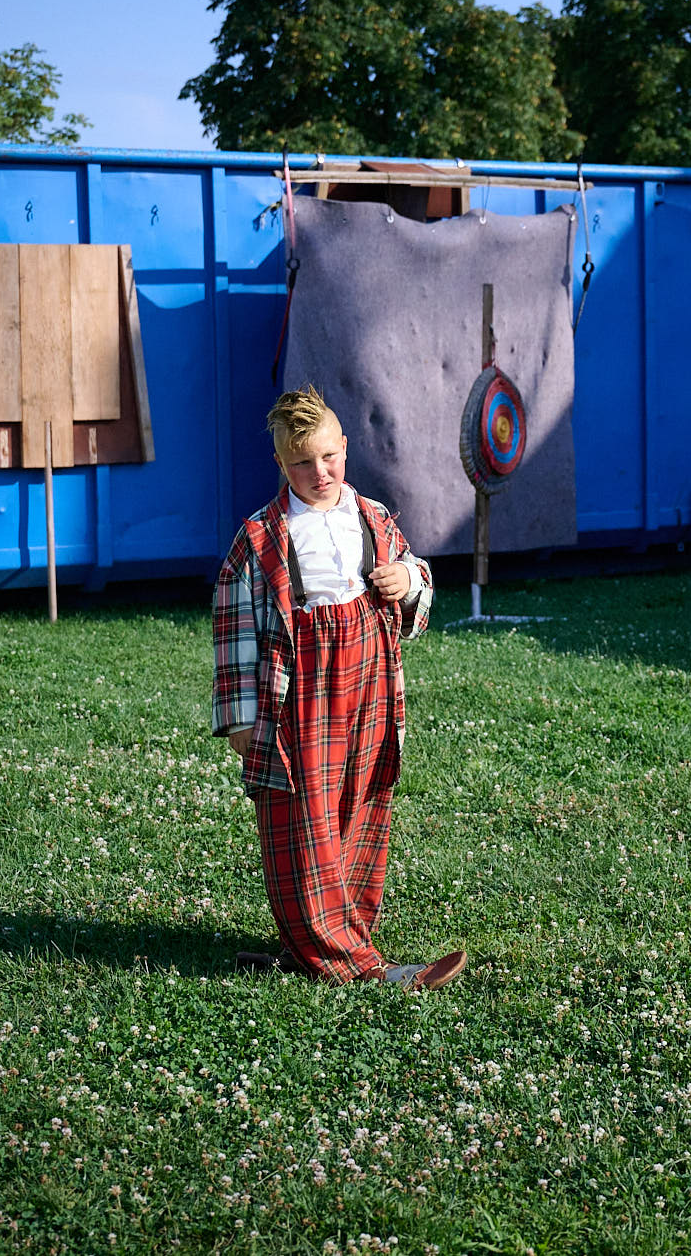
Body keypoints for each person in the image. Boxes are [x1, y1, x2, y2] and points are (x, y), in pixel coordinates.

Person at [211, 386, 465, 990]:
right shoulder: (261, 537)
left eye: (328, 456)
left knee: (360, 800)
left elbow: (416, 582)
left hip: (369, 677)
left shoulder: (373, 517)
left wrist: (408, 580)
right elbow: (233, 624)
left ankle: (324, 942)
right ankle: (358, 965)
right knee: (306, 815)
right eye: (302, 462)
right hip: (302, 688)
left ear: (345, 447)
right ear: (280, 463)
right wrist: (240, 715)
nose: (319, 472)